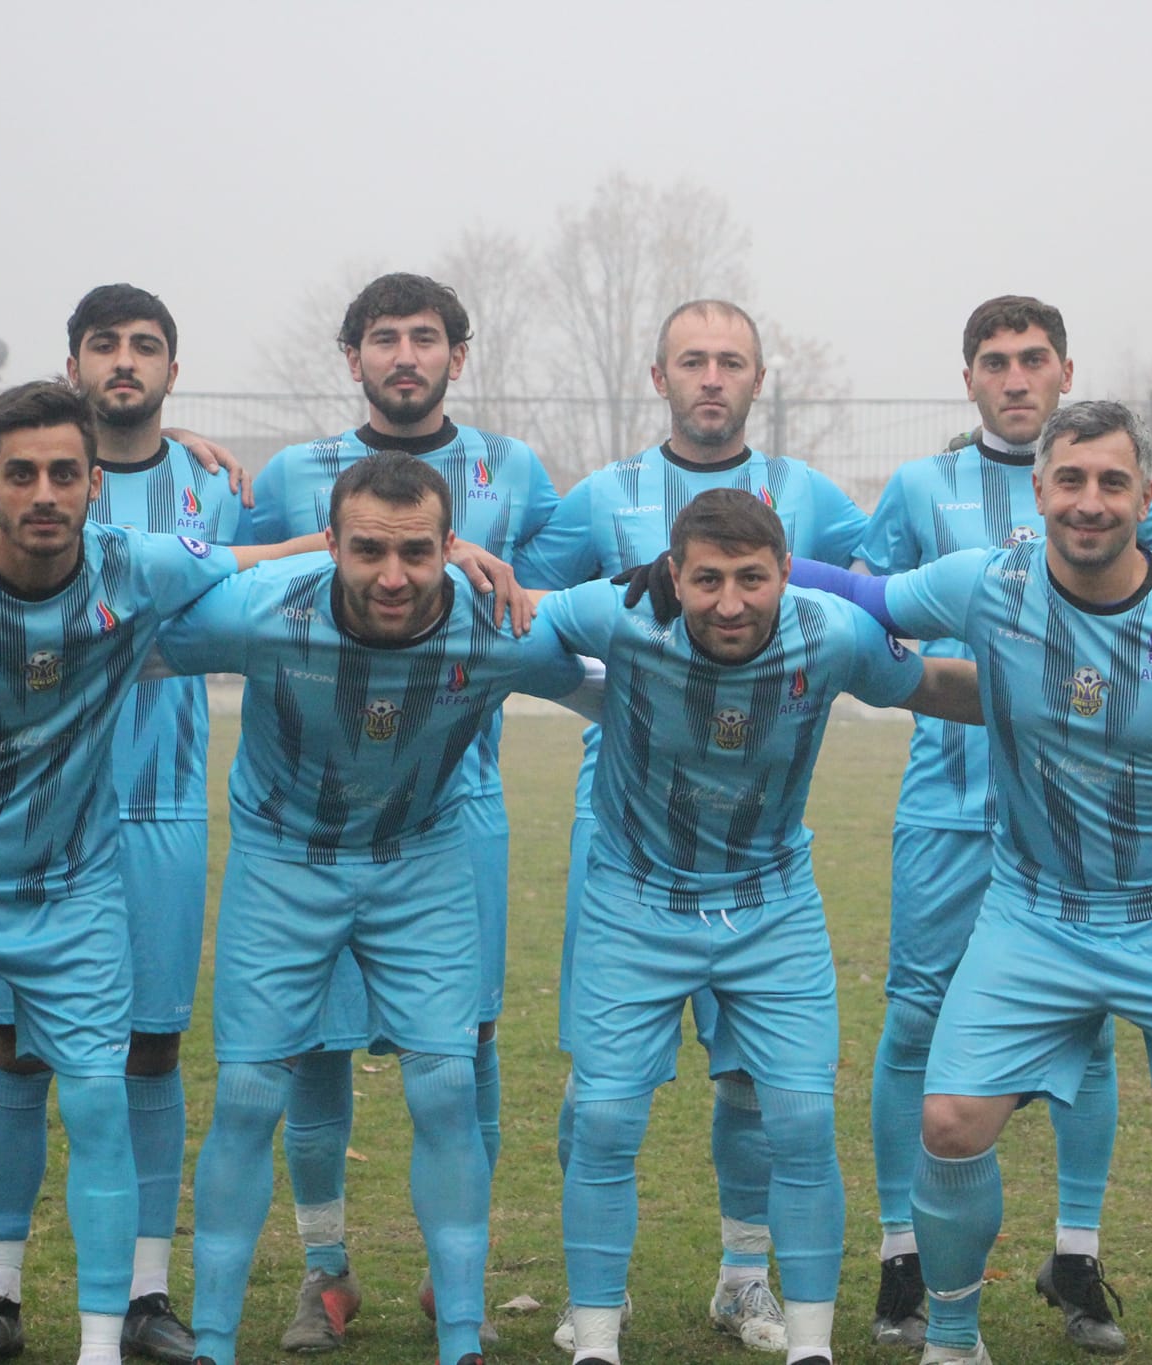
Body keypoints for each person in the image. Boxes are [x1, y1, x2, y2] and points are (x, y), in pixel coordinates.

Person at [790, 401, 1152, 1365]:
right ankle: (955, 1342)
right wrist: (742, 562)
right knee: (951, 1121)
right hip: (1034, 912)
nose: (1090, 501)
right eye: (1070, 480)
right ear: (1038, 491)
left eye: (1113, 482)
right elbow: (869, 597)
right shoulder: (989, 584)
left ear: (1146, 497)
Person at [0, 381, 316, 1365]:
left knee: (96, 1101)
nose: (43, 493)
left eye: (62, 473)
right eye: (21, 474)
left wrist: (439, 554)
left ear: (94, 484)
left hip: (71, 890)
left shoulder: (137, 565)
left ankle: (98, 1346)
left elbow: (276, 557)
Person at [155, 452, 594, 1365]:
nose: (392, 576)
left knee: (446, 1083)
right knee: (247, 1092)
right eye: (368, 551)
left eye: (416, 552)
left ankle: (462, 1340)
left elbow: (618, 675)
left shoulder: (498, 623)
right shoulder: (262, 609)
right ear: (332, 544)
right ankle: (213, 1343)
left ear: (451, 547)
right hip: (284, 861)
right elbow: (120, 642)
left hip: (419, 859)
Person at [541, 486, 979, 1365]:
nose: (730, 601)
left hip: (771, 902)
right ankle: (595, 1340)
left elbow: (927, 683)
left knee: (803, 1120)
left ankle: (809, 1347)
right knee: (604, 1118)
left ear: (787, 572)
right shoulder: (616, 612)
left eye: (752, 577)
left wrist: (1053, 698)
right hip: (635, 898)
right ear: (673, 574)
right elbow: (517, 626)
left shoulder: (833, 631)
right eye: (707, 579)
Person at [516, 299, 872, 1353]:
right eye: (692, 360)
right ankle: (597, 1296)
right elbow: (529, 605)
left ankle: (744, 1276)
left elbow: (877, 594)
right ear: (658, 375)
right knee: (600, 1093)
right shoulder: (601, 494)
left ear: (758, 376)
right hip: (622, 827)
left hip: (755, 831)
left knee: (758, 1085)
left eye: (730, 361)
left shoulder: (811, 496)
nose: (711, 377)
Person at [0, 285, 250, 1365]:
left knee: (150, 1050)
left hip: (161, 805)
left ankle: (145, 1296)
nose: (124, 361)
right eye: (103, 345)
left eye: (144, 346)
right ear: (71, 364)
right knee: (19, 1052)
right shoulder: (7, 475)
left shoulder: (215, 487)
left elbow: (290, 575)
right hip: (26, 813)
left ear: (172, 369)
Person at [248, 272, 559, 1350]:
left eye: (426, 337)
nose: (405, 356)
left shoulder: (516, 471)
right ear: (354, 358)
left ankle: (449, 1268)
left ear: (457, 357)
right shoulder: (294, 474)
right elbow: (228, 580)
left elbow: (545, 606)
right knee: (314, 1039)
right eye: (383, 338)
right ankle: (325, 1269)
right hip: (315, 816)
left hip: (457, 803)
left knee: (465, 1040)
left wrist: (477, 572)